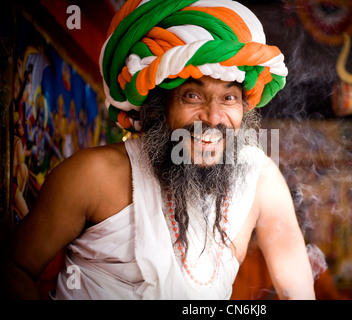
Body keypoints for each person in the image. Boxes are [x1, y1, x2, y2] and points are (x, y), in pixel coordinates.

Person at [1, 0, 315, 299]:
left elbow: (297, 292)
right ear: (157, 108)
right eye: (192, 96)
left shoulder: (260, 180)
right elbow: (13, 269)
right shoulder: (93, 175)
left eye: (229, 98)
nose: (213, 118)